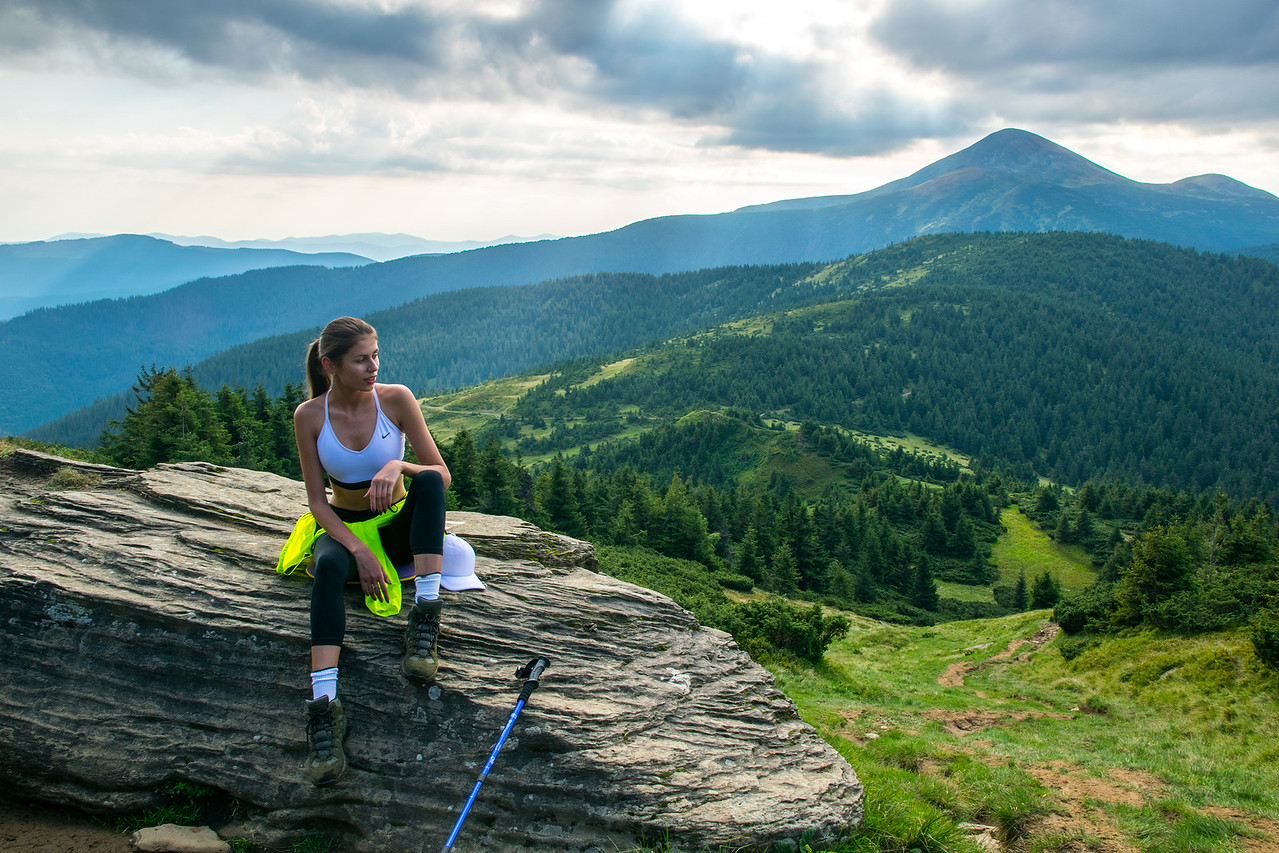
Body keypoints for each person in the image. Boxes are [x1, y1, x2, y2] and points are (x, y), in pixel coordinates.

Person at [276, 316, 451, 786]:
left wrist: (399, 464)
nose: (373, 366)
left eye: (375, 355)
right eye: (361, 360)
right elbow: (317, 503)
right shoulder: (309, 416)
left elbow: (440, 474)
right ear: (330, 365)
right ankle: (324, 707)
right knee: (330, 566)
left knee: (430, 482)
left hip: (395, 527)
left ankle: (426, 615)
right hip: (345, 528)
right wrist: (359, 548)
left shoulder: (396, 399)